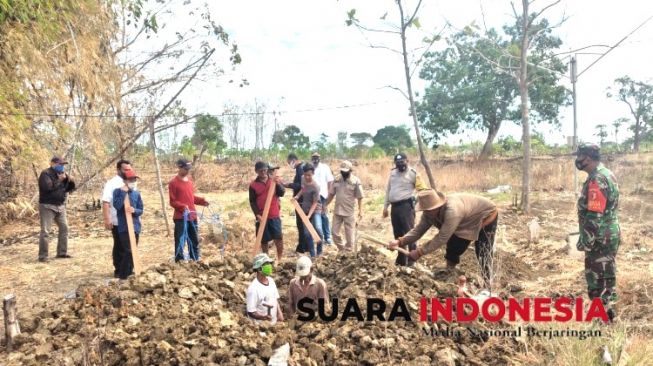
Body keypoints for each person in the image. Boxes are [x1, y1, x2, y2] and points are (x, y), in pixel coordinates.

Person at [388, 189, 498, 288]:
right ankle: (450, 270)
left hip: (486, 215)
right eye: (424, 210)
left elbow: (442, 237)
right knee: (454, 246)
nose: (426, 212)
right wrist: (399, 241)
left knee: (483, 250)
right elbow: (418, 230)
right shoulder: (429, 213)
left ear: (437, 206)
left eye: (428, 210)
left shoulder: (452, 211)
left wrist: (419, 252)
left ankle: (488, 284)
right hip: (465, 219)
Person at [575, 143, 620, 322]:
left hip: (600, 238)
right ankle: (607, 317)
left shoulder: (597, 179)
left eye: (579, 156)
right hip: (608, 234)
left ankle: (602, 322)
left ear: (588, 157)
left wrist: (586, 241)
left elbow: (594, 215)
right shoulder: (607, 174)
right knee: (607, 278)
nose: (577, 160)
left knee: (598, 281)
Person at [382, 153, 427, 266]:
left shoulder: (413, 174)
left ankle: (412, 260)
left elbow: (423, 190)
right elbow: (388, 190)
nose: (400, 165)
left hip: (406, 207)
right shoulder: (393, 173)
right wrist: (385, 207)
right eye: (398, 163)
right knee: (397, 235)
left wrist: (414, 201)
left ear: (407, 161)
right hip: (394, 208)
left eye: (402, 162)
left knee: (409, 233)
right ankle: (401, 259)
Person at [168, 158, 209, 262]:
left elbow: (191, 198)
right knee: (180, 240)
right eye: (186, 169)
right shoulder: (173, 183)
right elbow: (172, 201)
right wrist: (182, 207)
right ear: (179, 167)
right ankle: (179, 262)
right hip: (180, 218)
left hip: (192, 216)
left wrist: (202, 201)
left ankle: (194, 260)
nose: (187, 171)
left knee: (194, 240)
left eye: (188, 169)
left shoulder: (190, 182)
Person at [38, 156, 76, 262]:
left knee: (64, 228)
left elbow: (70, 188)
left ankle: (62, 253)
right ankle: (43, 256)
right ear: (53, 163)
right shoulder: (45, 174)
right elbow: (47, 188)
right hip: (47, 206)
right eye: (60, 164)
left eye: (63, 164)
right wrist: (59, 181)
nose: (62, 166)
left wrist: (69, 180)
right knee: (45, 231)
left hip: (60, 206)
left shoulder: (63, 175)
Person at [101, 159, 132, 277]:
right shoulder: (112, 183)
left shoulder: (131, 182)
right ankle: (119, 270)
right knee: (120, 246)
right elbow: (105, 202)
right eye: (125, 169)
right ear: (118, 170)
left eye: (129, 169)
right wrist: (107, 219)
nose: (127, 171)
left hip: (130, 220)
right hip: (117, 220)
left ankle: (128, 269)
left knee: (129, 246)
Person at [249, 161, 286, 259]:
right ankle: (266, 258)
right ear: (256, 171)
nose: (263, 172)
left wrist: (278, 184)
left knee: (278, 238)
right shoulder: (253, 185)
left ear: (267, 170)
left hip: (274, 214)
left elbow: (282, 193)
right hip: (262, 216)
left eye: (265, 170)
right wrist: (257, 215)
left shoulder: (274, 181)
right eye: (261, 171)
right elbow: (252, 201)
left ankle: (280, 259)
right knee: (263, 240)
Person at [325, 160, 364, 251]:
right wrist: (325, 204)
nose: (344, 173)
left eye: (345, 172)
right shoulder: (337, 179)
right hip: (338, 211)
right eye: (342, 171)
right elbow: (331, 194)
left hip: (349, 212)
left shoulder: (355, 181)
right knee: (334, 233)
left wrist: (360, 211)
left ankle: (349, 253)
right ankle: (342, 250)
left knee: (350, 237)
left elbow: (360, 197)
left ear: (350, 170)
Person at [112, 170, 143, 280]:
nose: (133, 182)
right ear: (125, 181)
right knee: (128, 251)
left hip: (135, 226)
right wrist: (123, 192)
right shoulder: (117, 191)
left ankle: (130, 273)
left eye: (134, 180)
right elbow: (117, 206)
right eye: (131, 180)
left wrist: (135, 210)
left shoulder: (136, 193)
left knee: (133, 251)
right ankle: (123, 275)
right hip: (124, 227)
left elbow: (141, 210)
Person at [292, 164, 323, 257]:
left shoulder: (316, 187)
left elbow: (315, 203)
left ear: (313, 173)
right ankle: (313, 254)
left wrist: (309, 215)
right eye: (305, 175)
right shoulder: (302, 178)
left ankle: (319, 251)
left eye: (309, 175)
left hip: (315, 209)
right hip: (305, 208)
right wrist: (297, 196)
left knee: (318, 229)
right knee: (306, 233)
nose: (307, 177)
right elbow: (303, 188)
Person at [246, 253, 284, 324]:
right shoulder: (253, 289)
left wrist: (279, 313)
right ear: (259, 269)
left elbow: (275, 299)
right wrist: (263, 317)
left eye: (269, 263)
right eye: (266, 264)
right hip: (260, 328)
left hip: (273, 325)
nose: (269, 266)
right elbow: (251, 312)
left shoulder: (271, 281)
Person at [285, 153, 308, 254]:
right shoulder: (301, 168)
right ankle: (303, 246)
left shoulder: (300, 169)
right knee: (302, 224)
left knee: (301, 224)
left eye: (289, 162)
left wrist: (288, 184)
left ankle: (303, 247)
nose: (290, 165)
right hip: (302, 200)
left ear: (293, 160)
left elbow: (301, 185)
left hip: (301, 201)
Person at [311, 152, 334, 245]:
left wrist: (329, 195)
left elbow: (330, 181)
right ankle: (317, 237)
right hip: (312, 196)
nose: (315, 160)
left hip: (323, 195)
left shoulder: (325, 167)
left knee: (324, 215)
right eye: (313, 158)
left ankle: (327, 237)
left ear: (319, 159)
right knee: (314, 216)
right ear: (311, 159)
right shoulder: (310, 168)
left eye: (317, 158)